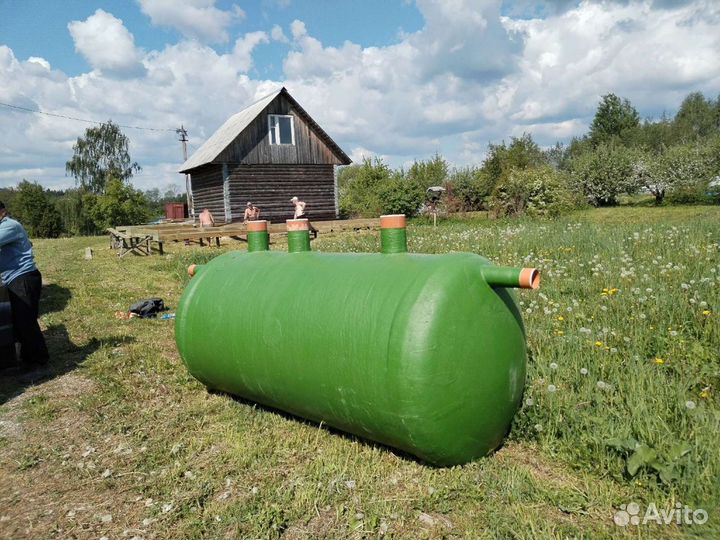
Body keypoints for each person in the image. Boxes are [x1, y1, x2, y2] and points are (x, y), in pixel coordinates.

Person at [0, 201, 49, 370]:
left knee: (26, 322)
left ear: (3, 211)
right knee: (20, 322)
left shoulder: (9, 226)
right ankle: (28, 361)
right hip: (15, 279)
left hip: (23, 278)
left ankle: (39, 363)